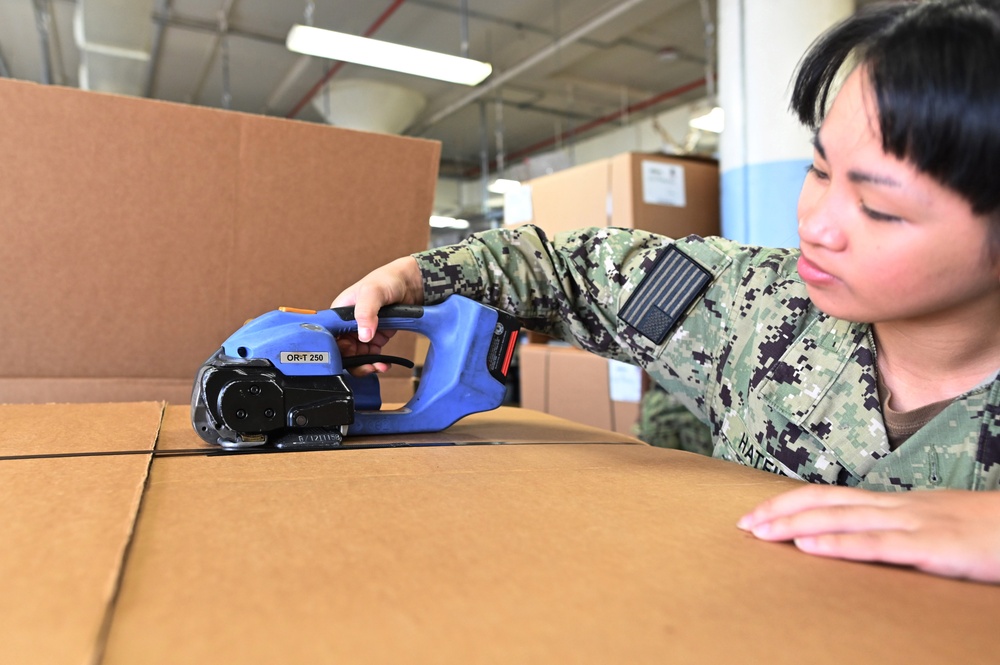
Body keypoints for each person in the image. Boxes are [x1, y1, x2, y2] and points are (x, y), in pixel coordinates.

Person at [332, 0, 1000, 583]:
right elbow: (566, 272)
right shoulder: (758, 308)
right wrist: (412, 280)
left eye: (880, 209)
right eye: (820, 170)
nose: (816, 224)